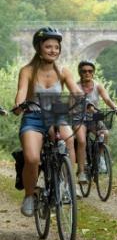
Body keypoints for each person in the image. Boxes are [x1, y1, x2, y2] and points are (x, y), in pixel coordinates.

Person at [13, 26, 83, 217]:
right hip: (33, 116)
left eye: (56, 47)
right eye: (48, 46)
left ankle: (68, 183)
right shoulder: (27, 71)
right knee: (32, 158)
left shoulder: (63, 71)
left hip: (56, 115)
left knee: (69, 140)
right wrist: (19, 105)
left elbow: (75, 91)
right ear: (39, 48)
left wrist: (80, 100)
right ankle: (29, 195)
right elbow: (21, 92)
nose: (53, 50)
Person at [75, 60, 117, 176]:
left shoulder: (98, 86)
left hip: (95, 117)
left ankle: (100, 158)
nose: (87, 73)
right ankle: (81, 170)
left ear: (93, 73)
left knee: (105, 133)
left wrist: (115, 108)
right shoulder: (76, 87)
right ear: (80, 73)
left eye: (90, 71)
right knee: (81, 141)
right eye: (84, 71)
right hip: (79, 118)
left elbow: (106, 99)